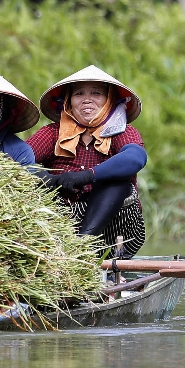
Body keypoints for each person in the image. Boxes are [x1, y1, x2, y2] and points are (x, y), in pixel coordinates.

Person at [27, 65, 147, 257]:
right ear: (68, 102)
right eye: (79, 94)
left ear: (109, 100)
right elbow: (18, 163)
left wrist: (87, 176)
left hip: (116, 230)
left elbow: (135, 158)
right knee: (31, 181)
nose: (87, 100)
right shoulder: (52, 133)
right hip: (63, 228)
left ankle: (82, 249)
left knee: (117, 181)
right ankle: (71, 252)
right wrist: (53, 180)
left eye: (96, 93)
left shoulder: (122, 132)